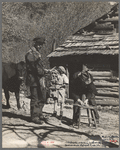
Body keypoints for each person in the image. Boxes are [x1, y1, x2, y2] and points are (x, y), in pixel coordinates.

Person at [25, 37, 48, 124]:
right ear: (35, 44)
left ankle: (39, 114)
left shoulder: (36, 53)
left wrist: (44, 71)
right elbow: (32, 68)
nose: (40, 46)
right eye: (39, 45)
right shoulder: (30, 54)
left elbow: (38, 66)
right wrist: (43, 72)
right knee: (35, 98)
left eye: (41, 45)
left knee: (41, 97)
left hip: (38, 79)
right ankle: (34, 117)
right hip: (33, 80)